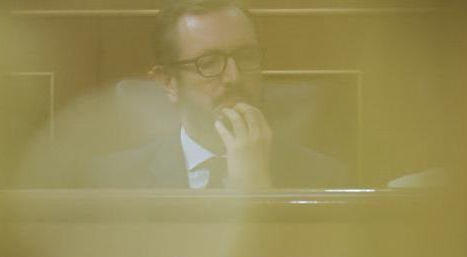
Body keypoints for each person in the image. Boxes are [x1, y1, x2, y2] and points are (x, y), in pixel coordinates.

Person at [89, 0, 348, 189]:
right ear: (168, 82)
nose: (234, 77)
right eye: (209, 62)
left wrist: (255, 188)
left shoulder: (324, 179)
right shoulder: (111, 181)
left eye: (246, 57)